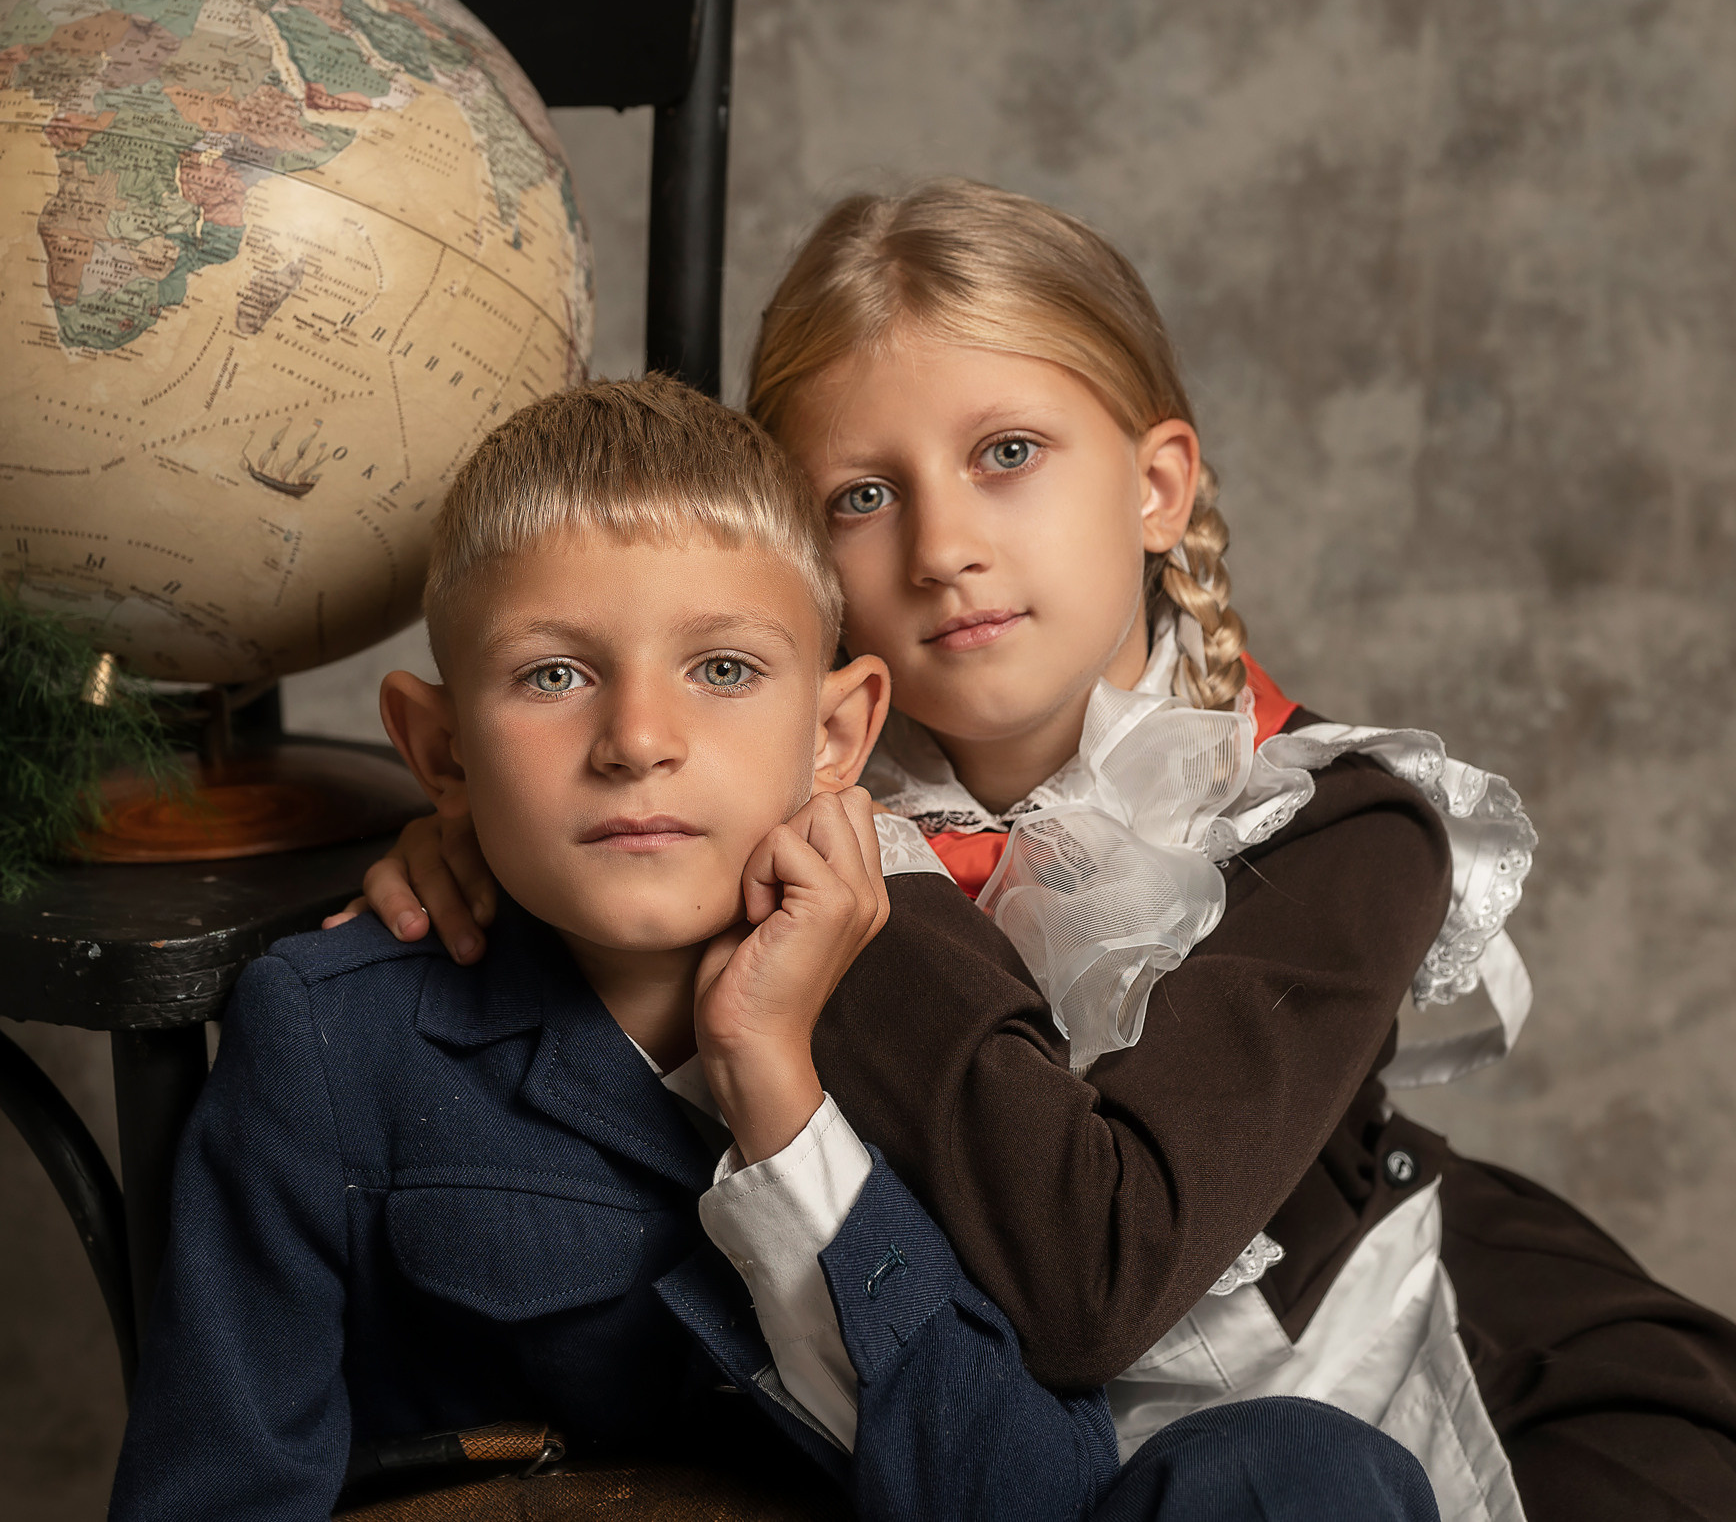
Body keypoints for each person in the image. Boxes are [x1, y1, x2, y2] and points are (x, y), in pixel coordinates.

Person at [334, 183, 1736, 1522]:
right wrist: (468, 840)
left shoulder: (1343, 827)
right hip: (996, 1451)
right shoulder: (731, 796)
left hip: (1433, 1364)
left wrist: (880, 894)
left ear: (1156, 485)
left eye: (1007, 454)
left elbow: (1091, 1286)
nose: (945, 546)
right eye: (860, 499)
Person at [112, 377, 1439, 1521]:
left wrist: (784, 1103)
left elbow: (1026, 1498)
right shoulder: (334, 1037)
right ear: (441, 750)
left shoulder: (927, 996)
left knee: (1296, 1474)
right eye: (555, 675)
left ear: (838, 735)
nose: (639, 737)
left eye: (726, 670)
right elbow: (219, 1490)